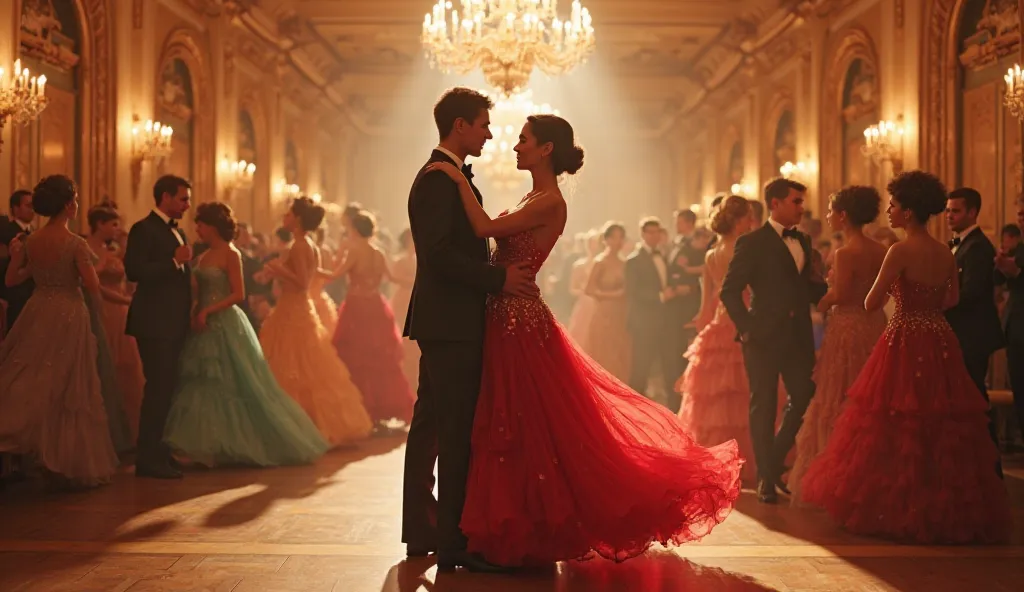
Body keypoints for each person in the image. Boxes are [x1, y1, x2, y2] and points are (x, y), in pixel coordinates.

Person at [428, 113, 741, 568]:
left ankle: (526, 529)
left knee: (524, 423)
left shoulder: (549, 200)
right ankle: (513, 525)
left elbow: (482, 230)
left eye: (523, 140)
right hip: (506, 314)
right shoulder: (535, 194)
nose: (514, 146)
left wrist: (455, 178)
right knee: (513, 421)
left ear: (545, 149)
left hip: (518, 319)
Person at [801, 171, 1010, 543]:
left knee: (893, 416)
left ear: (909, 211)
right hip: (939, 337)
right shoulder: (945, 251)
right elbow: (952, 300)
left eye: (895, 206)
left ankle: (895, 503)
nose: (891, 212)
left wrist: (902, 299)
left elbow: (871, 301)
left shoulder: (899, 250)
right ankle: (941, 500)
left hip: (905, 335)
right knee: (939, 417)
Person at [401, 88, 537, 574]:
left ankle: (423, 531)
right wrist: (498, 278)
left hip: (445, 319)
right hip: (451, 322)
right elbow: (437, 254)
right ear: (459, 125)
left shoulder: (447, 175)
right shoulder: (438, 180)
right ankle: (453, 540)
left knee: (432, 426)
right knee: (454, 431)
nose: (488, 133)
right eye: (483, 124)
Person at [163, 203, 328, 467]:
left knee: (234, 384)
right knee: (204, 386)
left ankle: (232, 446)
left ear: (213, 227)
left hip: (225, 323)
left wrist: (208, 310)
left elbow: (238, 294)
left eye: (201, 225)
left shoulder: (231, 254)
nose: (197, 229)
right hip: (203, 325)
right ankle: (207, 446)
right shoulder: (203, 256)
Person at [0, 175, 119, 488]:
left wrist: (15, 258)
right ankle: (62, 461)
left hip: (38, 310)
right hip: (68, 312)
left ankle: (31, 448)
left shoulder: (32, 240)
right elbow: (93, 286)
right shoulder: (75, 243)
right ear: (69, 205)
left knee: (32, 376)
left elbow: (13, 280)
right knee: (70, 386)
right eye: (76, 199)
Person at [719, 177, 828, 504]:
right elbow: (729, 291)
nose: (801, 207)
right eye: (796, 201)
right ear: (776, 203)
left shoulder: (805, 241)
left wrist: (836, 292)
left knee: (804, 394)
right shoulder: (751, 242)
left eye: (801, 201)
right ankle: (766, 477)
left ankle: (771, 461)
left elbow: (803, 288)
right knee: (763, 404)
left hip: (797, 337)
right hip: (763, 338)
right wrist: (749, 328)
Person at [788, 187, 888, 505]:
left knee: (839, 394)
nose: (829, 216)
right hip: (873, 324)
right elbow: (883, 293)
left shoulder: (845, 252)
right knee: (869, 395)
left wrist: (820, 299)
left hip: (846, 328)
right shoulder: (879, 249)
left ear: (843, 215)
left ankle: (841, 473)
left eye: (831, 210)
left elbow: (841, 294)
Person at [258, 197, 373, 448]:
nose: (284, 218)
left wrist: (278, 269)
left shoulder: (300, 245)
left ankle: (299, 427)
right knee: (301, 365)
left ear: (297, 219)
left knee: (295, 366)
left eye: (288, 215)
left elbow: (302, 282)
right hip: (295, 309)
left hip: (294, 308)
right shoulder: (306, 243)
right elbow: (314, 273)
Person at [676, 196, 764, 483]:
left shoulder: (711, 253)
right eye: (749, 217)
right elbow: (750, 290)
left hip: (719, 325)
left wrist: (702, 323)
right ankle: (747, 459)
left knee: (716, 401)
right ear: (739, 221)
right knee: (745, 393)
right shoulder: (744, 248)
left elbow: (706, 303)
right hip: (744, 323)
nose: (752, 222)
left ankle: (716, 456)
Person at [125, 175, 194, 480]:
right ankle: (148, 459)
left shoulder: (178, 231)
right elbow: (134, 270)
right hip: (154, 323)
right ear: (165, 197)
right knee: (157, 389)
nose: (187, 204)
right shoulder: (143, 229)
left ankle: (161, 453)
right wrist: (174, 261)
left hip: (174, 322)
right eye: (183, 198)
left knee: (168, 390)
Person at [331, 210, 416, 427]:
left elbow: (336, 274)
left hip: (357, 307)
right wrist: (417, 283)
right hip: (376, 307)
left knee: (356, 357)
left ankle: (361, 409)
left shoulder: (354, 250)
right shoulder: (378, 253)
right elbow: (393, 278)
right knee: (379, 360)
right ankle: (379, 409)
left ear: (354, 230)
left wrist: (317, 273)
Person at [944, 187, 1004, 475]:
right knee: (969, 399)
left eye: (955, 211)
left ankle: (990, 468)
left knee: (975, 401)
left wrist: (936, 304)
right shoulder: (959, 244)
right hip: (962, 334)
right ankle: (977, 465)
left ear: (972, 213)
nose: (949, 216)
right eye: (947, 210)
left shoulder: (978, 247)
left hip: (973, 336)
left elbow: (972, 293)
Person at [583, 223, 632, 380]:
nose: (619, 241)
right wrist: (612, 295)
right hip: (604, 314)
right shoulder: (600, 262)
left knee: (621, 351)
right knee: (604, 352)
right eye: (615, 237)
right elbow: (589, 289)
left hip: (621, 313)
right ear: (607, 239)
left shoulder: (626, 263)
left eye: (621, 237)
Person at [995, 196, 1024, 454]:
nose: (1020, 215)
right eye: (1019, 211)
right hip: (1016, 329)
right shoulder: (1020, 248)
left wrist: (1014, 271)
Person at [0, 190, 36, 329]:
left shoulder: (36, 232)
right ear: (15, 208)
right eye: (28, 206)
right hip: (12, 295)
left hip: (33, 293)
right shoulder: (5, 232)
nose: (32, 210)